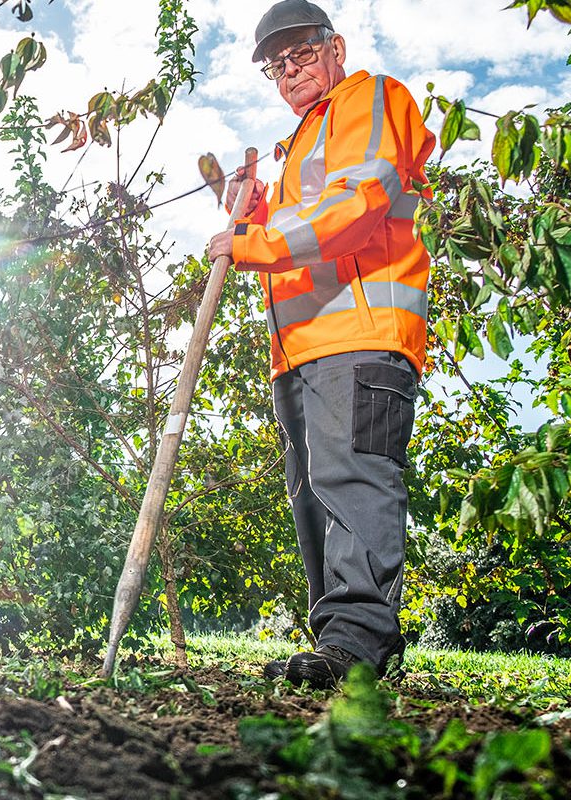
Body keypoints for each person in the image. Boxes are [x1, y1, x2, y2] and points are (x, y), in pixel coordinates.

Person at [205, 0, 436, 688]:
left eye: (300, 54)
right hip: (301, 349)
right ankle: (337, 646)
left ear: (334, 49)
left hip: (360, 335)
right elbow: (294, 225)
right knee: (312, 494)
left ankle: (358, 642)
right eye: (277, 66)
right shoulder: (301, 143)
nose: (289, 72)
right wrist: (251, 205)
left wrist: (258, 239)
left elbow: (358, 201)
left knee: (353, 480)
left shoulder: (367, 98)